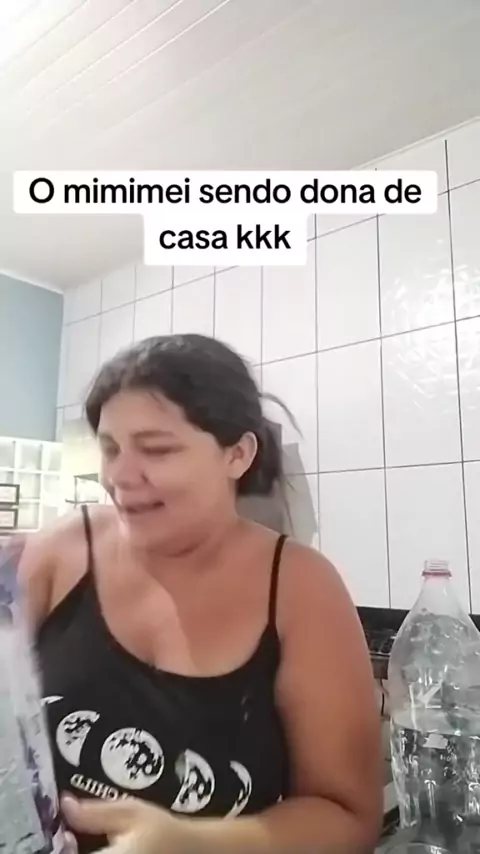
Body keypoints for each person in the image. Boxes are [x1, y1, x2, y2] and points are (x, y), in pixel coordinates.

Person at [19, 334, 382, 854]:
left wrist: (194, 843)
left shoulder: (301, 589)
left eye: (157, 449)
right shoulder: (61, 551)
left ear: (237, 454)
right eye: (111, 448)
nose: (119, 476)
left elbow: (347, 817)